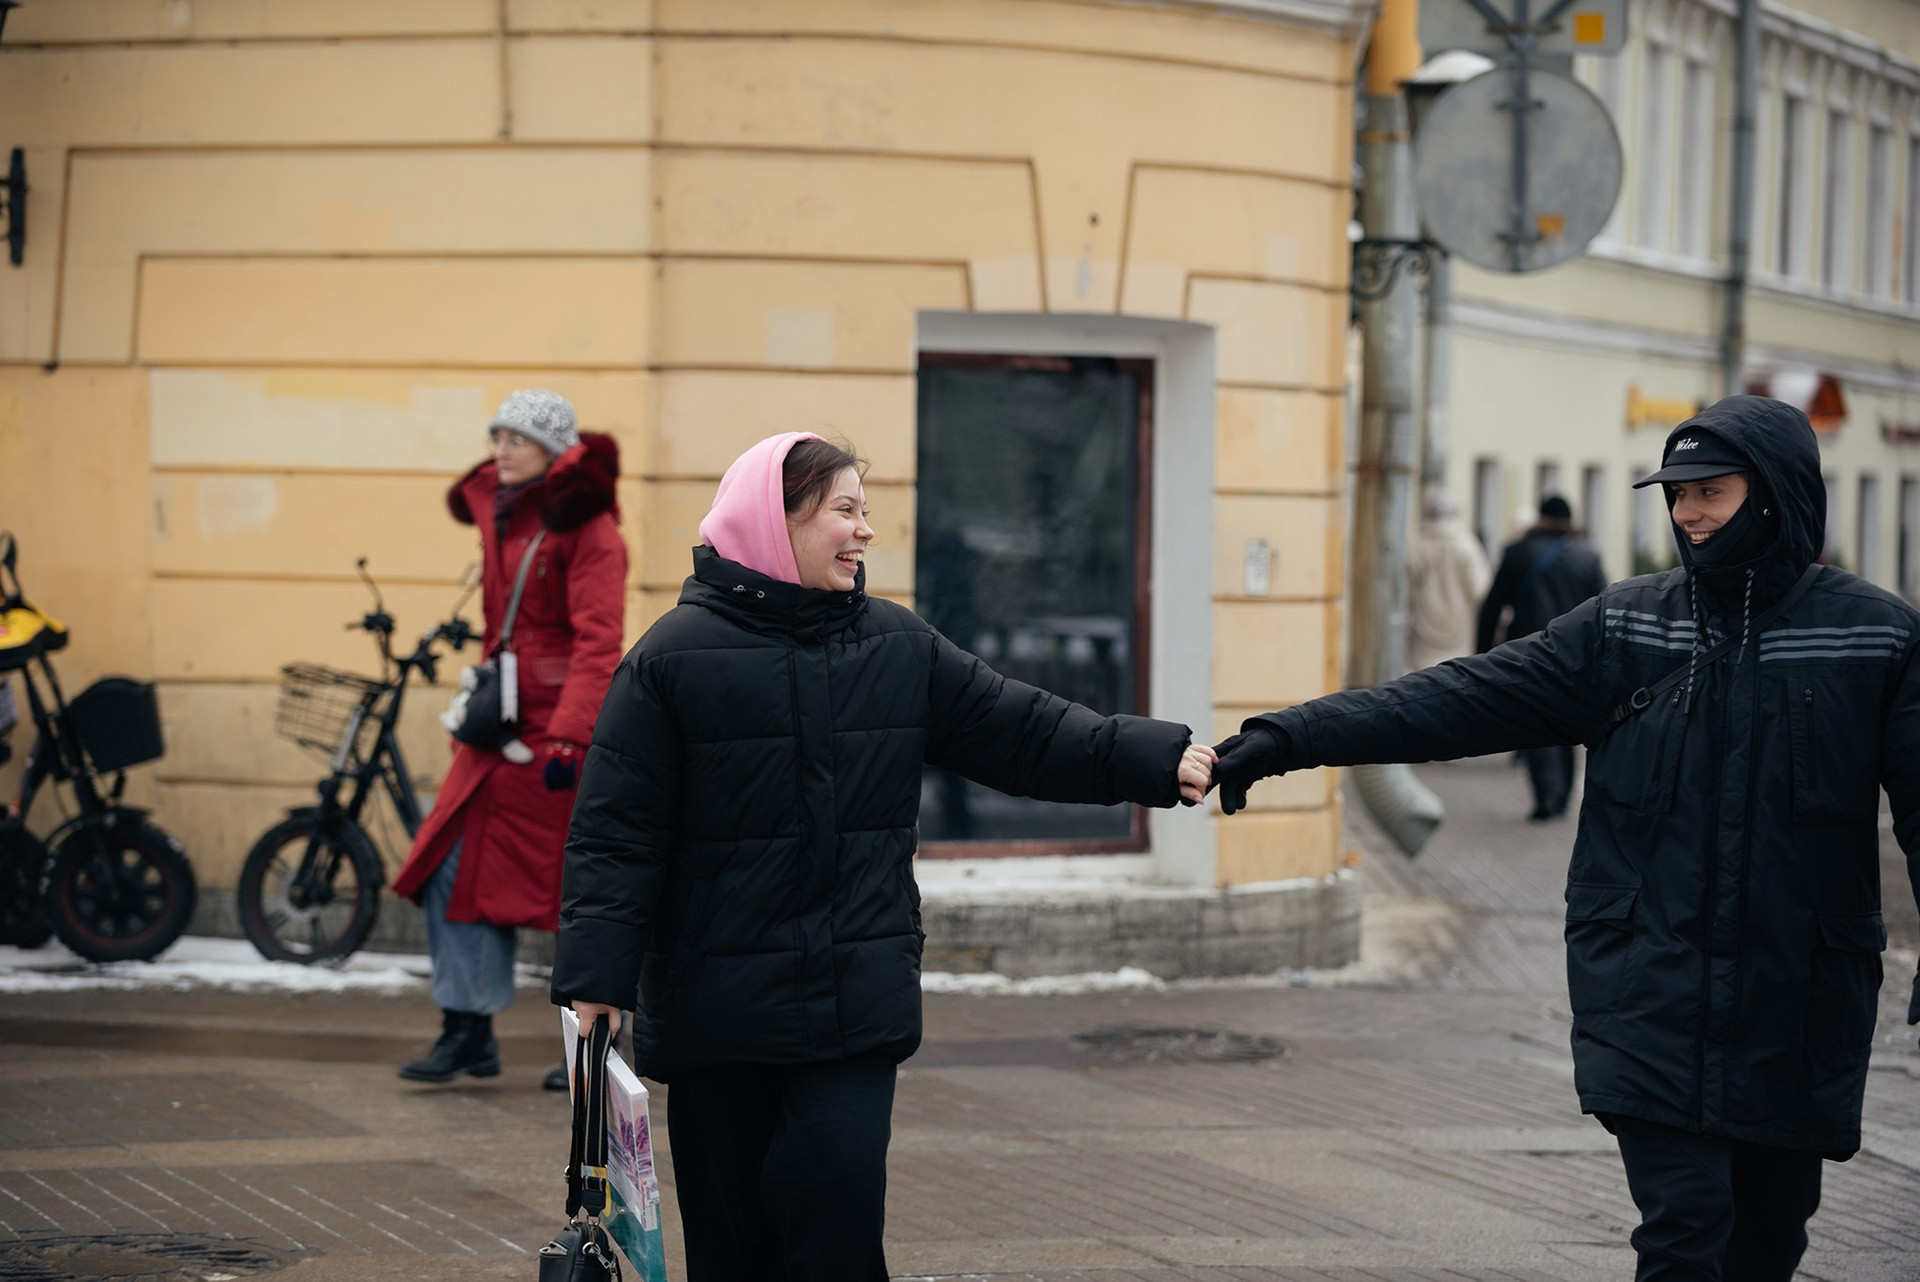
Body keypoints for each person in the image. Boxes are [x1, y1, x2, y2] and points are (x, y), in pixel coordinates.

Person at [1209, 395, 1920, 1281]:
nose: (1687, 514)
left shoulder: (1874, 635)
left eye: (1711, 492)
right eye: (1676, 494)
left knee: (1768, 1242)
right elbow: (1461, 697)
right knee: (1687, 1226)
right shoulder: (1628, 625)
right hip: (1649, 988)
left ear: (1775, 494)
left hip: (1799, 1002)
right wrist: (1291, 737)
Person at [550, 433, 1215, 1281]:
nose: (865, 531)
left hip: (851, 1008)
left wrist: (1149, 757)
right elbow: (617, 836)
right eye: (845, 510)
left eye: (865, 511)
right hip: (719, 1014)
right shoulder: (668, 660)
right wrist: (596, 983)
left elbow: (1024, 731)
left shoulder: (899, 644)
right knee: (732, 1249)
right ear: (777, 521)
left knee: (839, 1225)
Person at [392, 391, 628, 1090]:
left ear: (553, 450)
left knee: (578, 890)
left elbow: (598, 642)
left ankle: (597, 1042)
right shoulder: (505, 512)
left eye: (516, 438)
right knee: (451, 867)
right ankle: (466, 1028)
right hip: (498, 732)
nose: (500, 449)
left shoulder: (592, 529)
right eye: (496, 436)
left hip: (556, 741)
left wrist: (571, 739)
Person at [1475, 493, 1608, 819]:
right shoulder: (1587, 555)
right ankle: (1561, 795)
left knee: (1535, 721)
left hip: (1528, 650)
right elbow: (1604, 608)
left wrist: (1482, 655)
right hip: (1576, 654)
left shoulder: (1517, 551)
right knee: (1568, 722)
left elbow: (1493, 606)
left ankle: (1547, 794)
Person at [1406, 490, 1491, 671]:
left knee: (1422, 677)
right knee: (1454, 673)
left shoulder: (1416, 544)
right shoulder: (1467, 546)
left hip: (1423, 625)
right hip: (1458, 626)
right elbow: (1480, 591)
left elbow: (1407, 590)